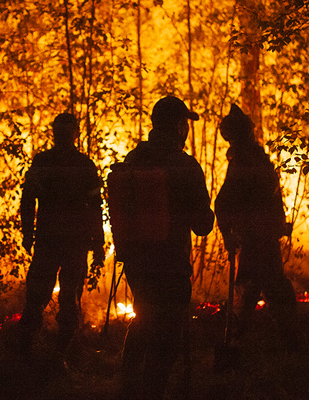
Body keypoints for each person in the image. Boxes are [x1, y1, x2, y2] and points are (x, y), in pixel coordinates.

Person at [113, 96, 215, 400]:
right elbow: (202, 224)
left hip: (136, 261)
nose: (186, 128)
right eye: (184, 122)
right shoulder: (184, 165)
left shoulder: (133, 159)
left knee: (144, 317)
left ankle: (127, 386)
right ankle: (152, 391)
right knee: (168, 334)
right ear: (177, 126)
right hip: (171, 262)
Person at [18, 112, 105, 361]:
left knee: (62, 296)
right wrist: (27, 232)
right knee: (49, 294)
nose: (65, 136)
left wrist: (97, 242)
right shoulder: (78, 165)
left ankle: (57, 352)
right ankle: (49, 351)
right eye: (62, 132)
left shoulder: (68, 164)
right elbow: (28, 199)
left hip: (62, 241)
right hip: (61, 240)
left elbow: (96, 206)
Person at [214, 103, 298, 352]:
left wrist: (227, 231)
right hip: (260, 236)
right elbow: (228, 201)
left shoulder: (246, 160)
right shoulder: (251, 159)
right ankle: (279, 341)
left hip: (256, 237)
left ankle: (240, 341)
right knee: (263, 287)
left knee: (255, 287)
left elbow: (225, 202)